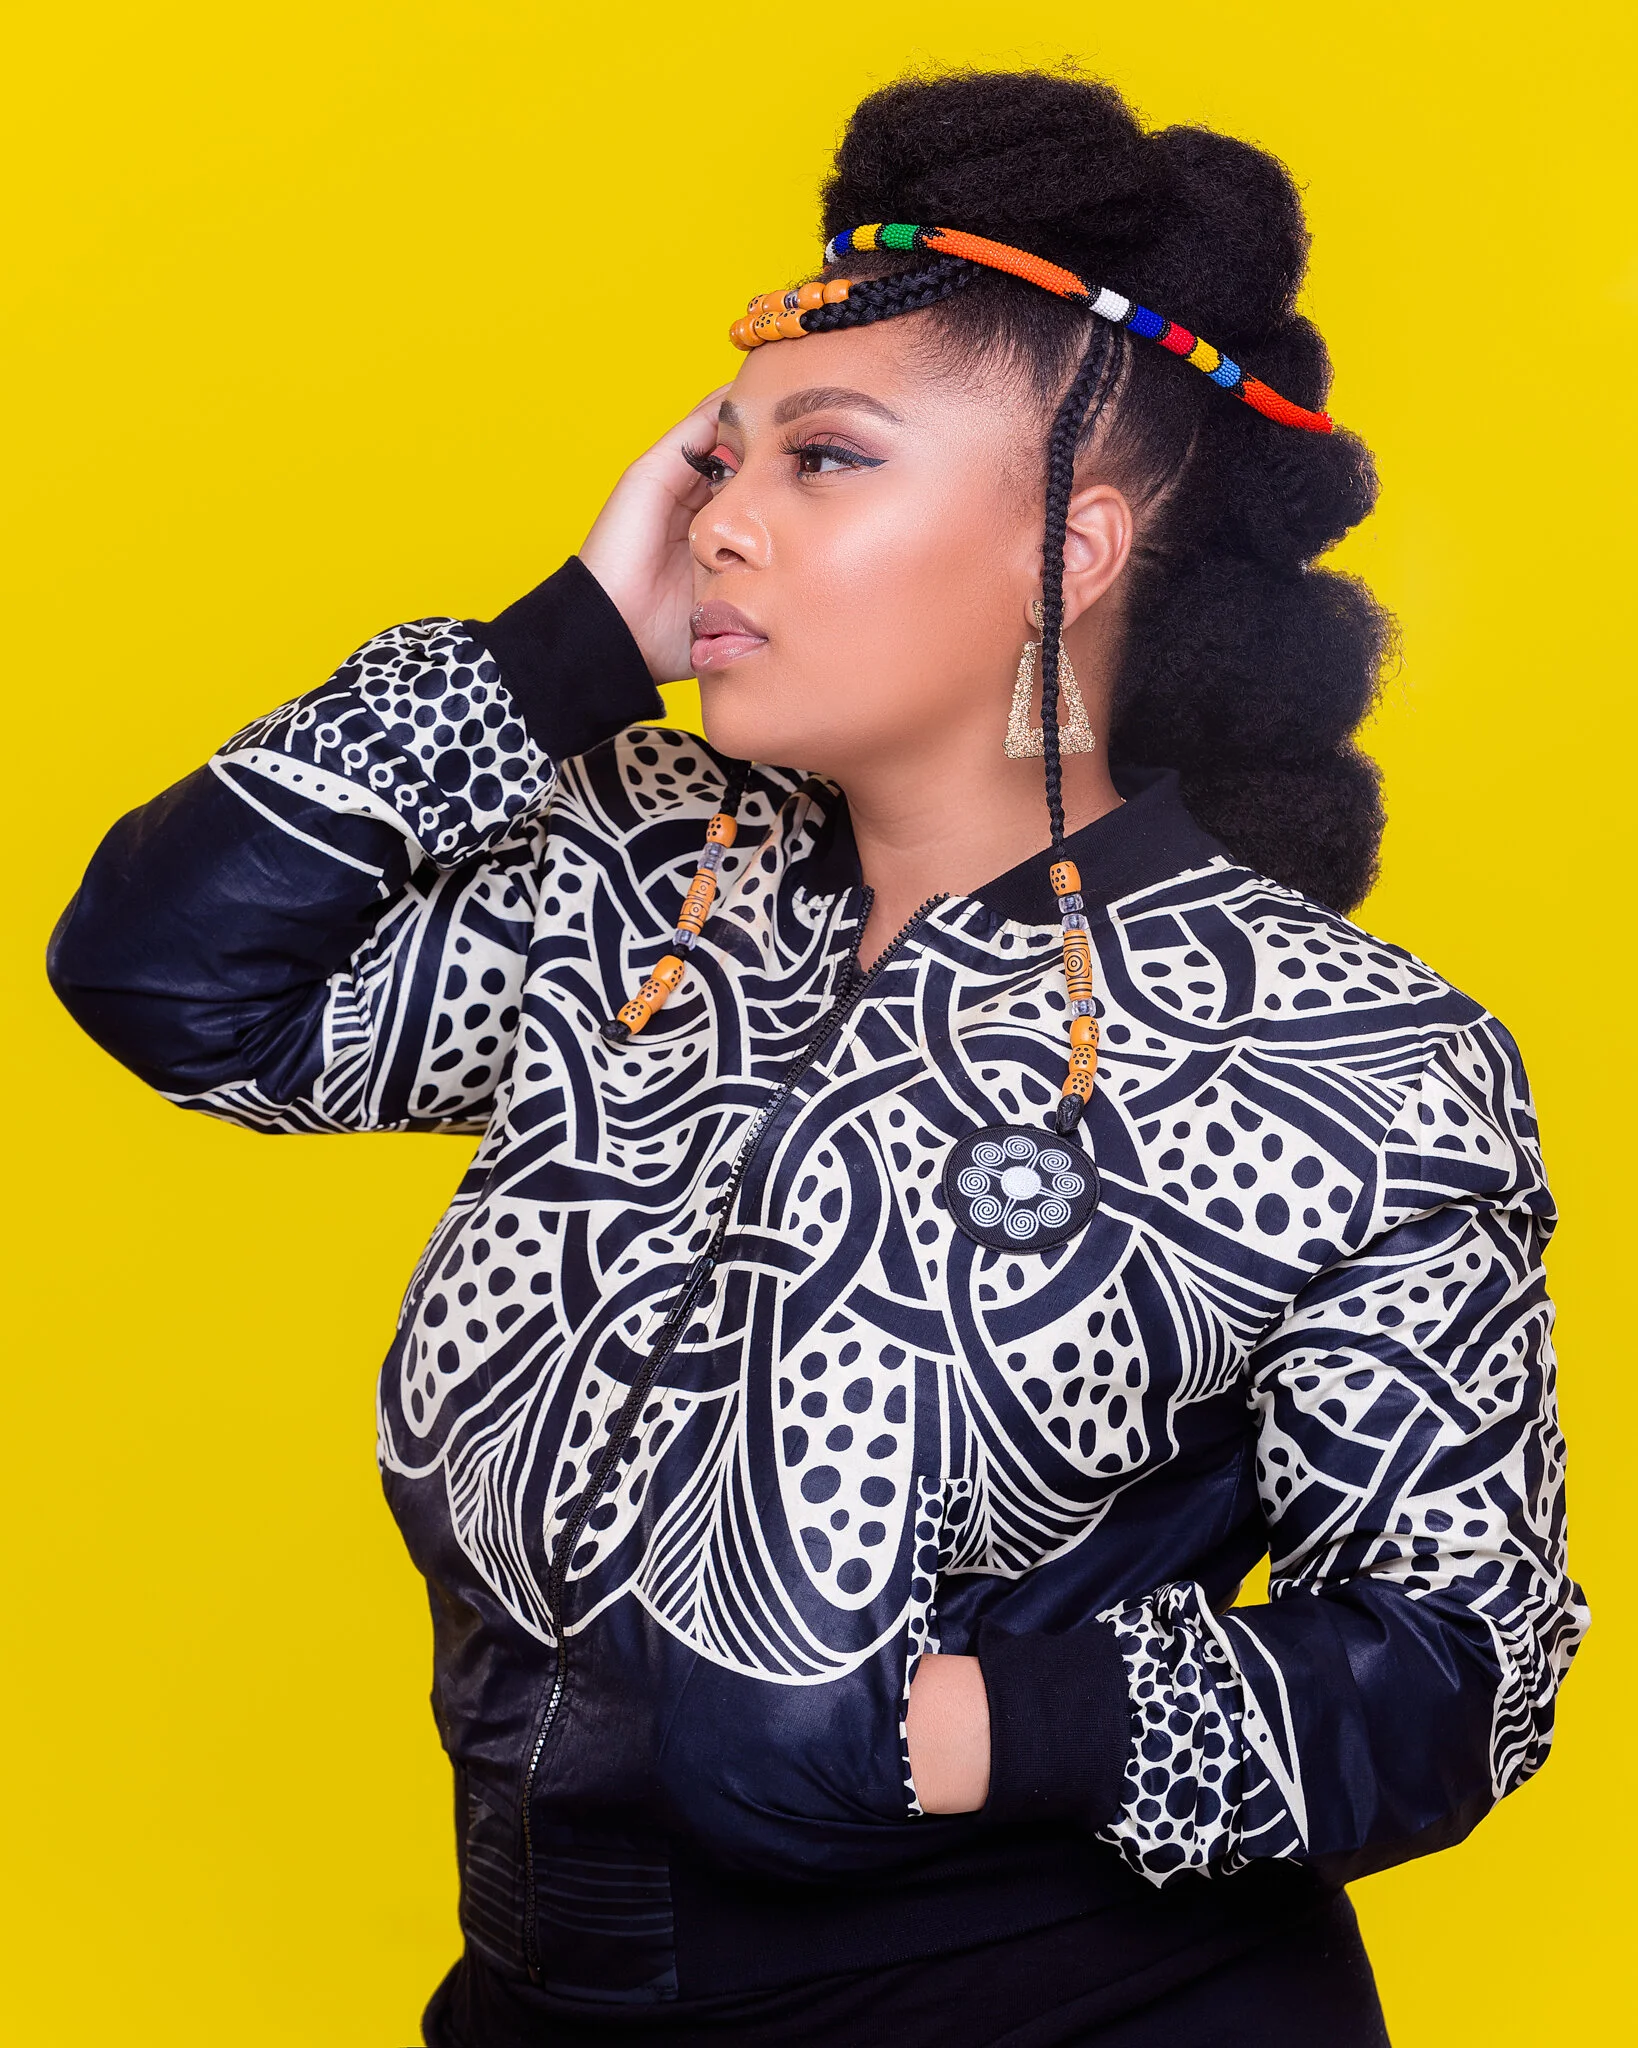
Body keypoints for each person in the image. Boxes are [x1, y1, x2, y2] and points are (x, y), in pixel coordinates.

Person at [48, 68, 1584, 2048]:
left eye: (827, 460)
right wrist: (567, 643)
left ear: (1074, 547)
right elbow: (175, 978)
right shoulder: (638, 881)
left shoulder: (1351, 1059)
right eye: (718, 458)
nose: (725, 524)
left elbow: (1464, 1668)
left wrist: (972, 1730)